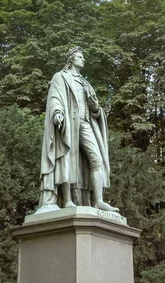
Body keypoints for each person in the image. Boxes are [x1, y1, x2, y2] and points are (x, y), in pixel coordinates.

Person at [38, 46, 119, 213]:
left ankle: (98, 201)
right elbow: (55, 97)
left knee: (96, 160)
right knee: (66, 159)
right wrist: (57, 112)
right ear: (71, 59)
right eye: (80, 57)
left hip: (86, 123)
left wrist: (95, 106)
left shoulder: (85, 82)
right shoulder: (60, 77)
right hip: (68, 123)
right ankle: (67, 200)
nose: (83, 59)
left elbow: (96, 110)